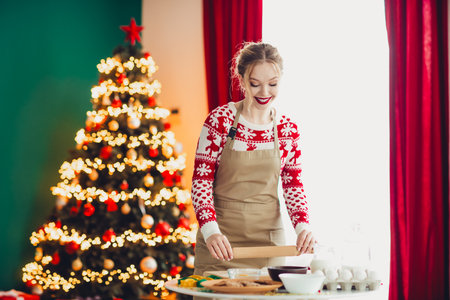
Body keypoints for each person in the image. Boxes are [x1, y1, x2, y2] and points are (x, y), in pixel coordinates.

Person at [191, 42, 315, 275]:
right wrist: (211, 231)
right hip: (221, 242)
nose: (264, 93)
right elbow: (201, 182)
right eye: (255, 84)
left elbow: (293, 186)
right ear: (241, 79)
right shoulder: (220, 121)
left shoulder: (288, 129)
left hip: (268, 242)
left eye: (273, 84)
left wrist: (302, 227)